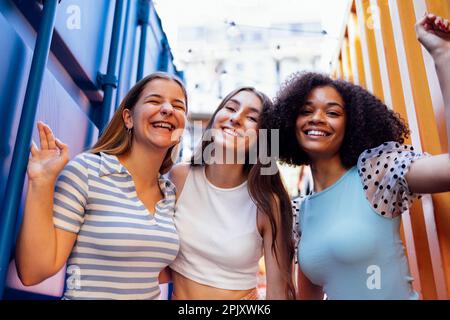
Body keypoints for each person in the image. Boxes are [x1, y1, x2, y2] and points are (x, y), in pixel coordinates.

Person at [263, 13, 450, 299]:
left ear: (352, 125)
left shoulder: (377, 172)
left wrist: (442, 54)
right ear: (290, 122)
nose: (317, 119)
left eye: (333, 112)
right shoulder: (300, 212)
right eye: (306, 110)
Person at [15, 72, 188, 300]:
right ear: (128, 118)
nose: (168, 109)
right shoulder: (88, 171)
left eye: (178, 106)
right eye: (154, 101)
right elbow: (33, 272)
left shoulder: (171, 193)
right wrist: (41, 182)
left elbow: (169, 269)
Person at [168, 87, 296, 300]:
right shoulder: (180, 177)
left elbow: (279, 292)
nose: (236, 118)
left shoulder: (267, 203)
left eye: (252, 118)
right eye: (230, 108)